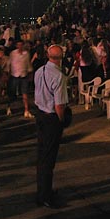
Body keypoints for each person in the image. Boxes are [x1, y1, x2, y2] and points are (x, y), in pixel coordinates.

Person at [34, 44, 69, 209]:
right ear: (60, 59)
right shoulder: (59, 76)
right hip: (51, 118)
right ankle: (45, 195)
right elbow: (59, 105)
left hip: (40, 114)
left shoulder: (39, 71)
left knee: (42, 155)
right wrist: (62, 121)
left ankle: (43, 190)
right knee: (49, 158)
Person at [8, 38, 34, 118]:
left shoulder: (26, 54)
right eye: (18, 45)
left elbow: (28, 64)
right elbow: (9, 63)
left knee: (25, 93)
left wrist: (30, 73)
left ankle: (26, 110)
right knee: (12, 93)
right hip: (14, 75)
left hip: (23, 75)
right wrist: (7, 73)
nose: (20, 46)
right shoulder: (13, 53)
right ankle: (9, 107)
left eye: (21, 45)